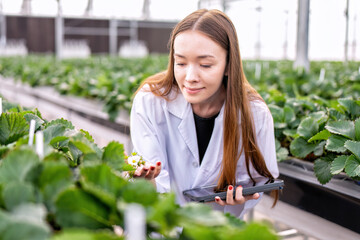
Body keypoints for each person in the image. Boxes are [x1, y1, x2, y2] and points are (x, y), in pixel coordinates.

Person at [129, 9, 279, 219]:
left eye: (205, 65)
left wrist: (241, 198)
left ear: (228, 65)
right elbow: (155, 179)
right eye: (180, 63)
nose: (190, 77)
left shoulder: (255, 115)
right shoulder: (150, 101)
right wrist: (146, 181)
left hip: (215, 228)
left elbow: (258, 181)